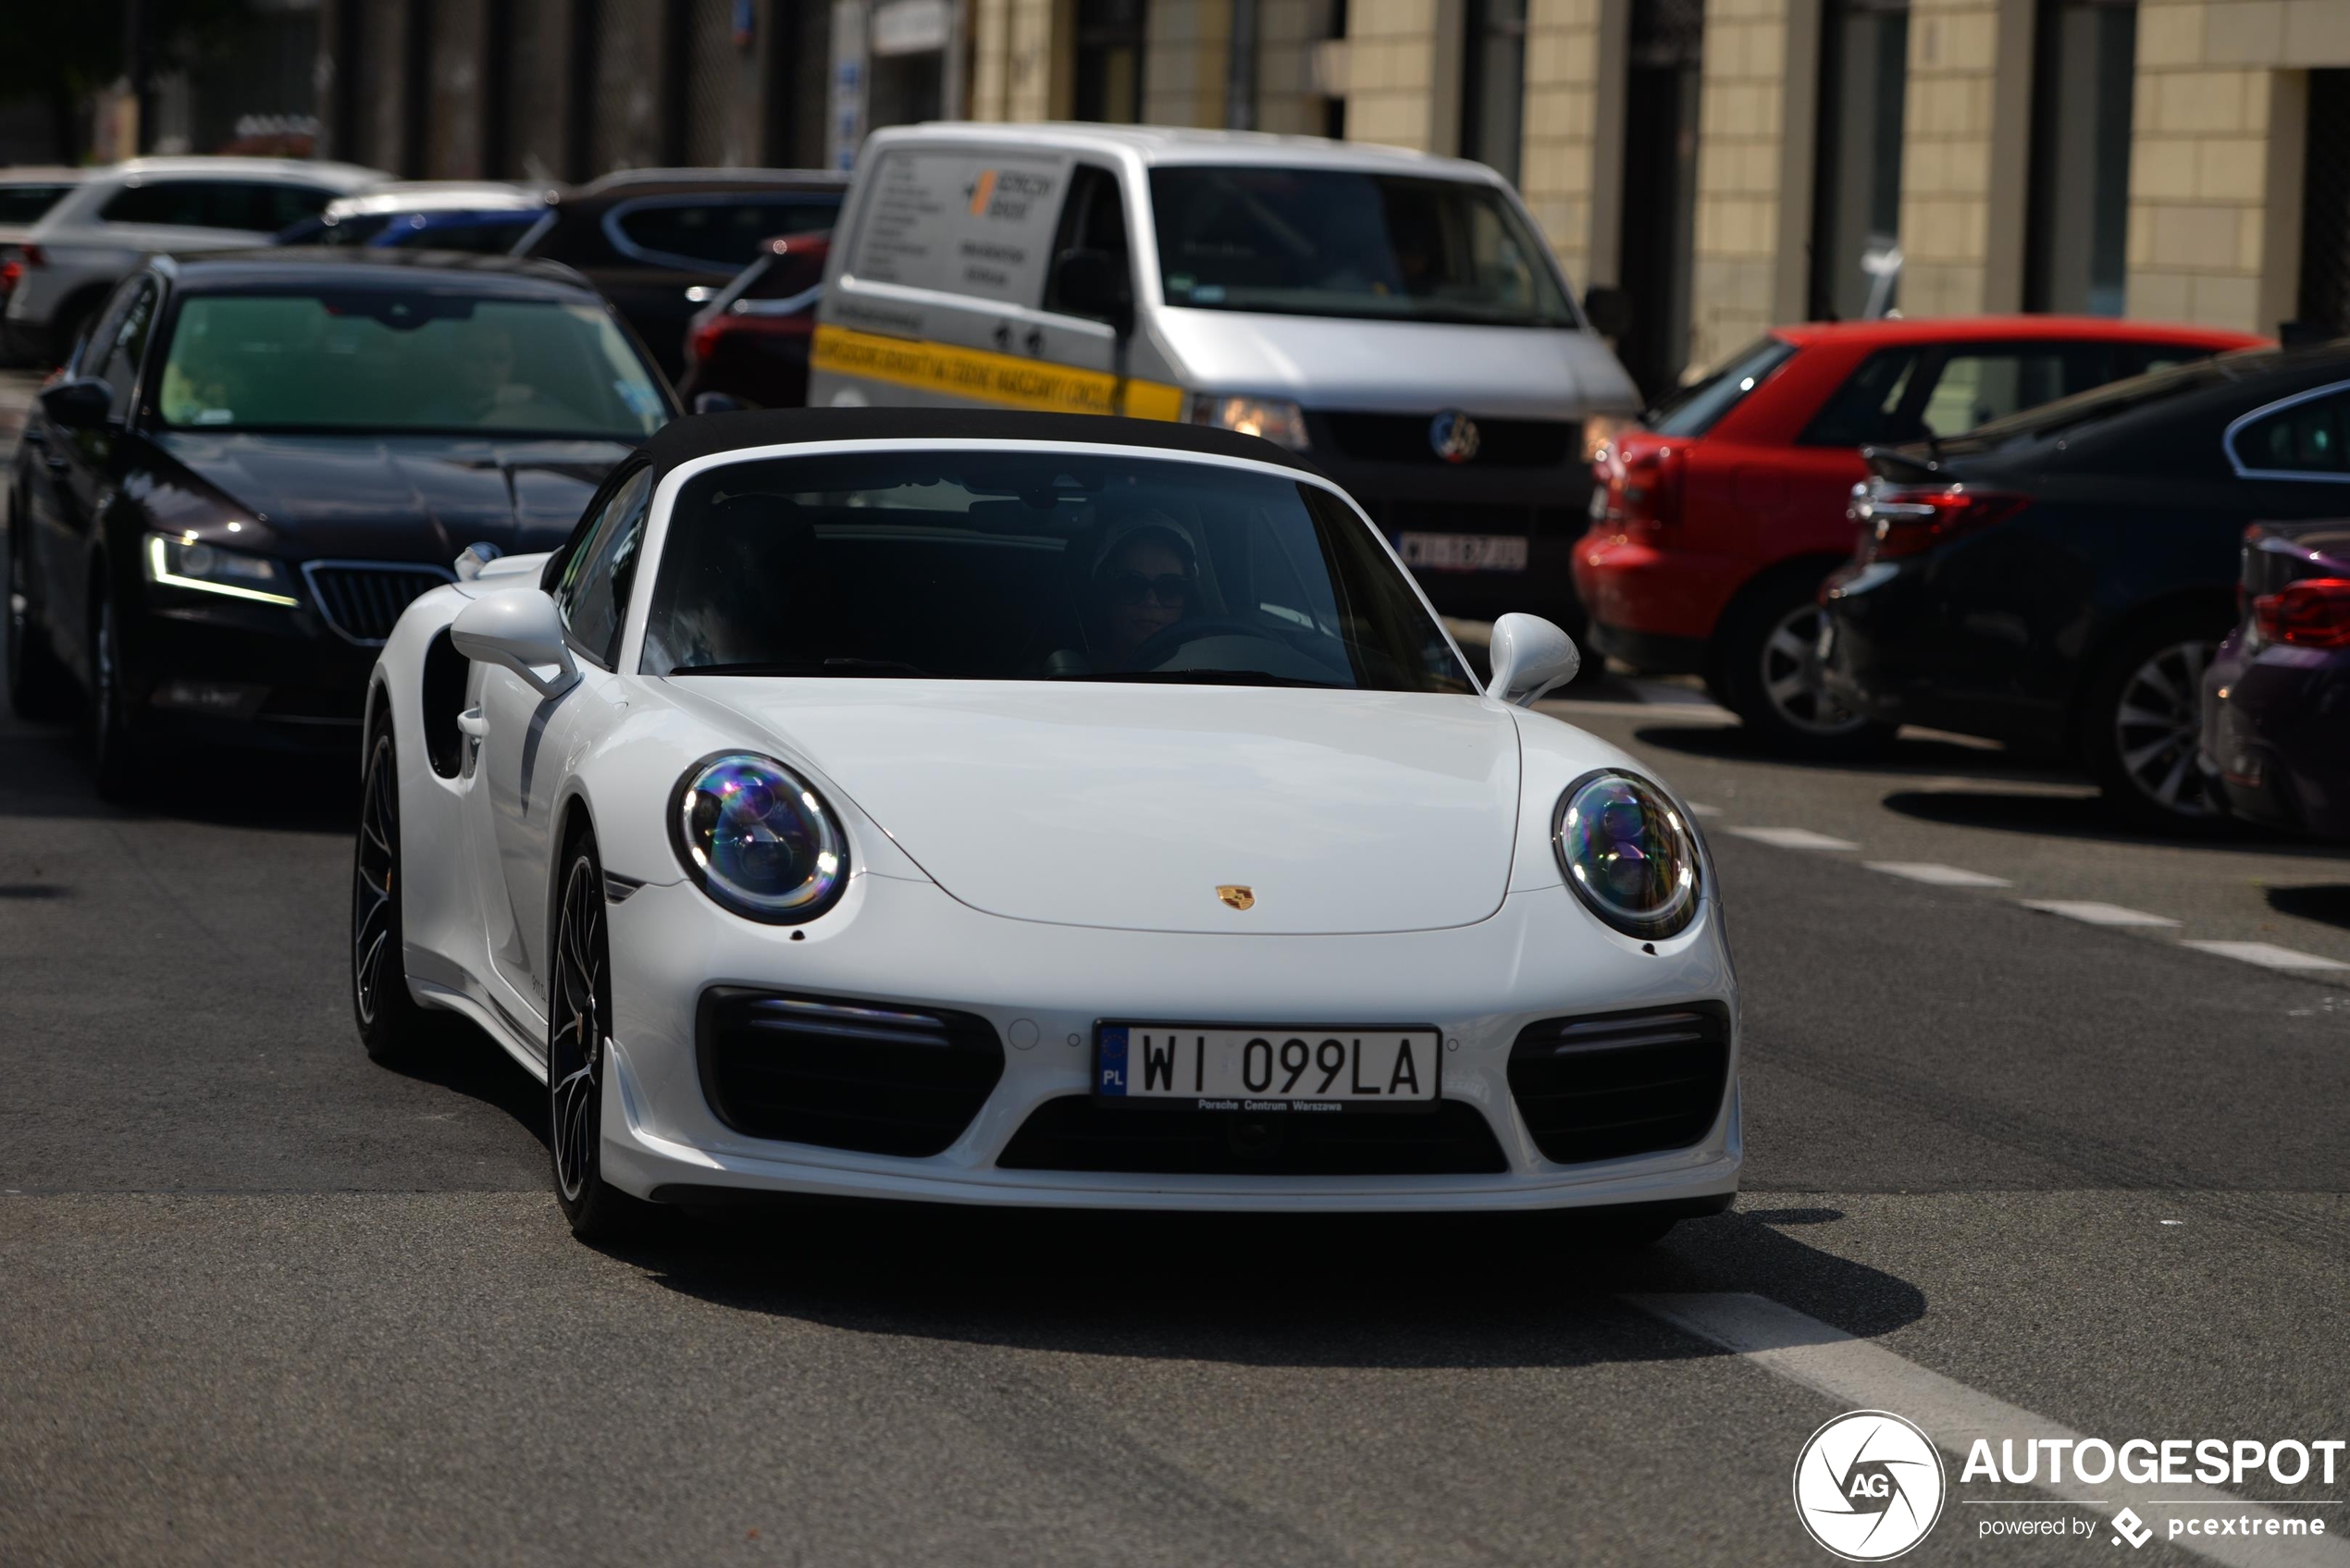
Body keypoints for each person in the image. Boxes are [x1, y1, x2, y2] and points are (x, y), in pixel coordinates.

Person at [1088, 510, 1202, 672]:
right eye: (1131, 585)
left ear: (1188, 599)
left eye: (1170, 588)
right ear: (1105, 592)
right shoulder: (1069, 676)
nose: (1151, 601)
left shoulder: (1210, 677)